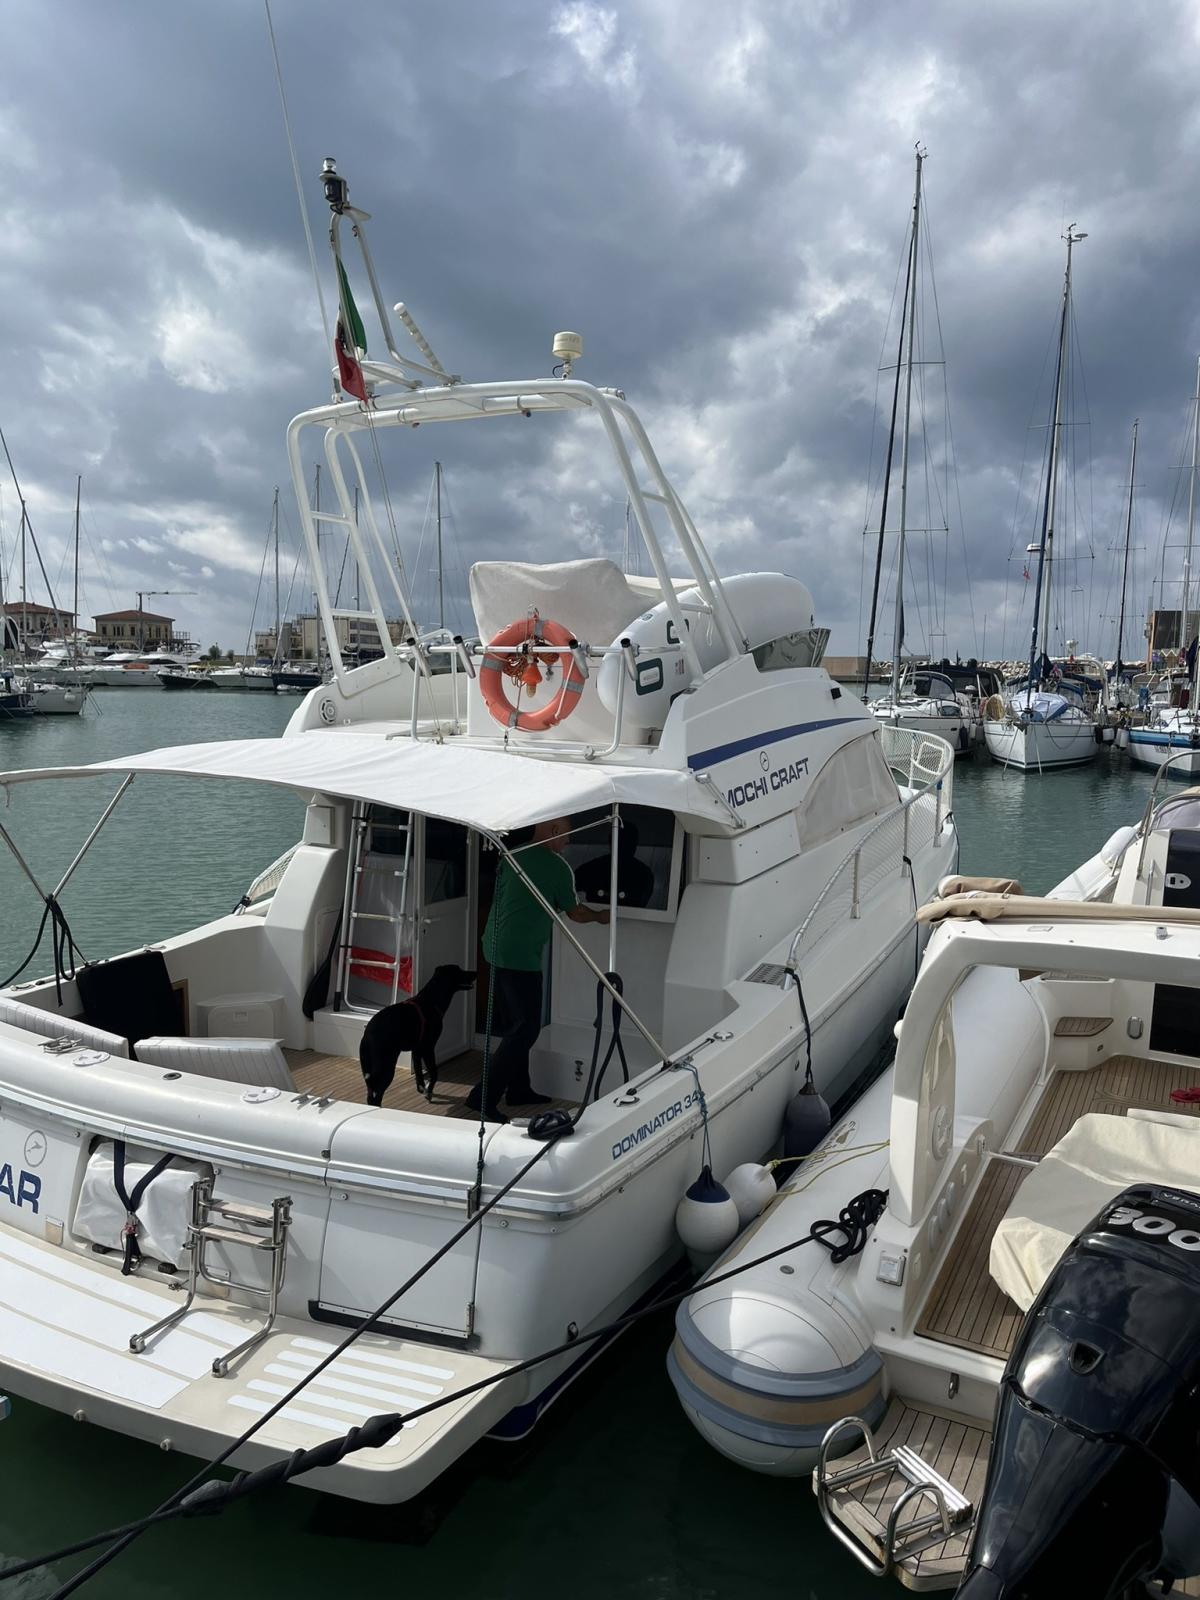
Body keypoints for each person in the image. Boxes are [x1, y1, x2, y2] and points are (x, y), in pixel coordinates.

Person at [467, 816, 608, 1118]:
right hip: (520, 956)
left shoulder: (512, 855)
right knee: (525, 1030)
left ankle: (519, 1089)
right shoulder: (557, 867)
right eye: (567, 835)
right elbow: (576, 913)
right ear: (553, 830)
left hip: (494, 946)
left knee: (515, 1025)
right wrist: (601, 916)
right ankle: (483, 1097)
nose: (568, 842)